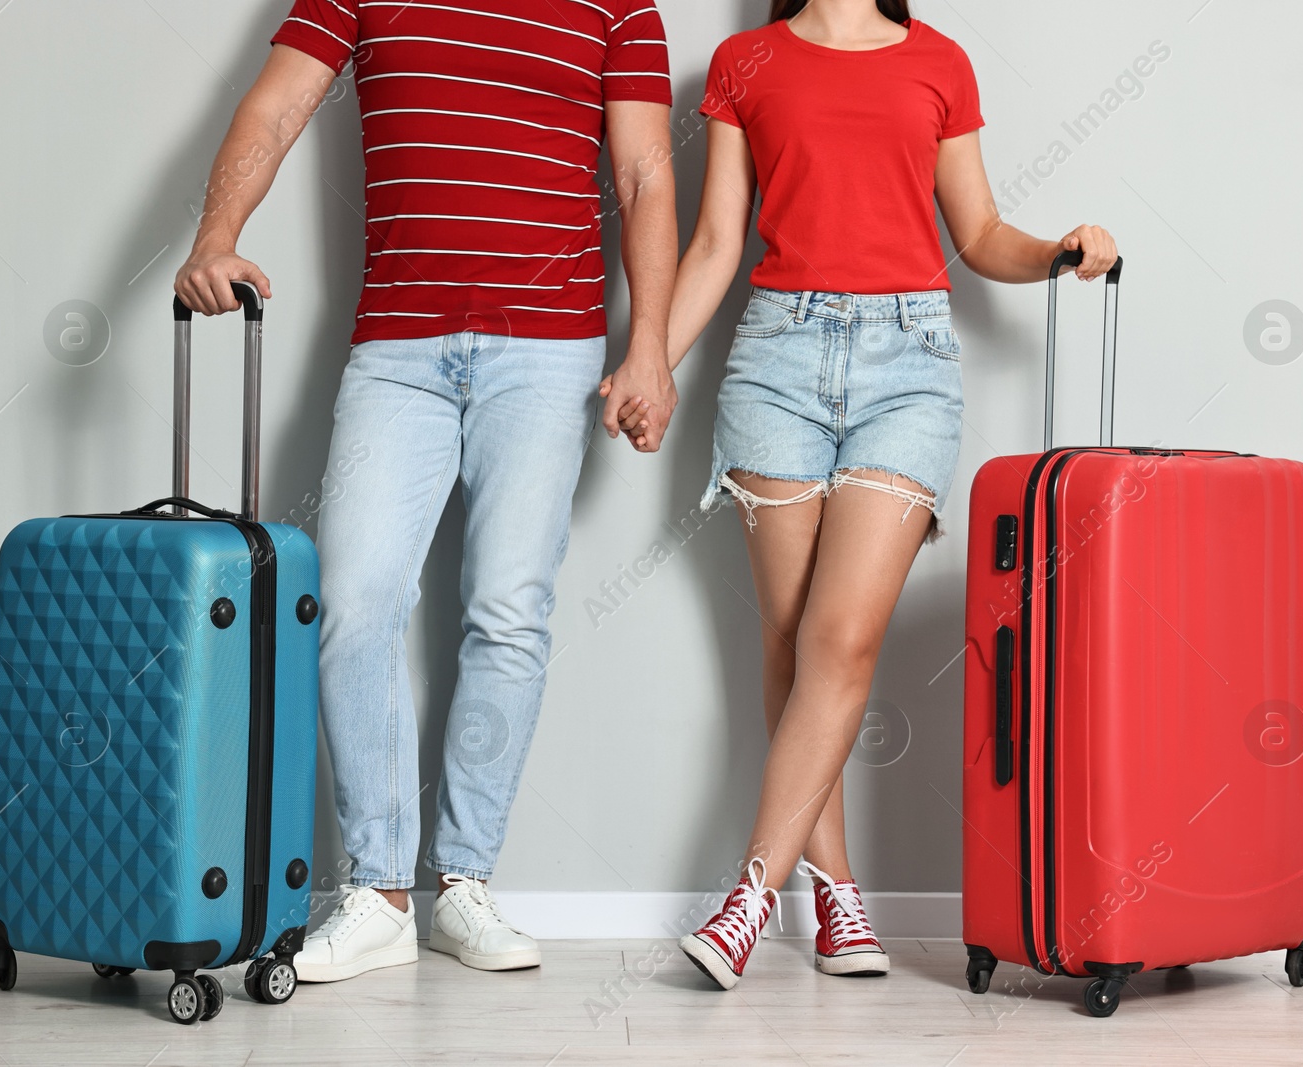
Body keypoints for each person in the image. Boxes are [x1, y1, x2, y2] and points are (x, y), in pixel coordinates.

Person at [605, 0, 1117, 989]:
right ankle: (836, 887)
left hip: (908, 364)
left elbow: (975, 233)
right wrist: (650, 364)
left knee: (842, 638)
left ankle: (748, 895)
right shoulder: (743, 62)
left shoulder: (939, 62)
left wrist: (1055, 248)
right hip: (775, 360)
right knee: (793, 637)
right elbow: (717, 242)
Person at [174, 0, 679, 980]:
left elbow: (643, 174)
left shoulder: (622, 7)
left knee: (508, 611)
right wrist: (214, 235)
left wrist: (649, 341)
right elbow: (276, 108)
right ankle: (379, 890)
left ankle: (463, 883)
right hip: (395, 351)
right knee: (354, 604)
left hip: (548, 350)